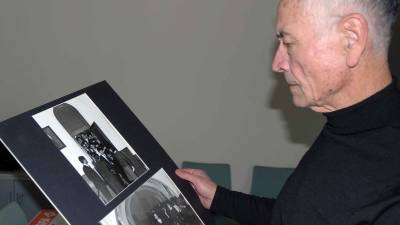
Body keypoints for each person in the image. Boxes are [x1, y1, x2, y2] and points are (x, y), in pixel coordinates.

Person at [176, 0, 400, 224]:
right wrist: (218, 198)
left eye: (289, 43)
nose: (277, 63)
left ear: (351, 38)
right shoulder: (345, 126)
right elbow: (295, 213)